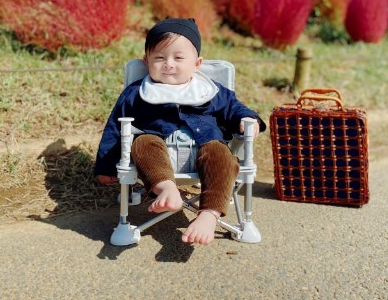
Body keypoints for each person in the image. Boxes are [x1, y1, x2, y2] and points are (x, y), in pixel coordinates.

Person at [95, 18, 266, 245]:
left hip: (205, 151)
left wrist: (248, 120)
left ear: (197, 63)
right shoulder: (137, 92)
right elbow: (116, 126)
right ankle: (167, 189)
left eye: (178, 58)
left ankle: (209, 214)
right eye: (159, 57)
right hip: (157, 159)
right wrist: (106, 166)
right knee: (142, 142)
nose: (168, 64)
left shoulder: (209, 90)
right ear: (146, 61)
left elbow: (234, 108)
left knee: (223, 154)